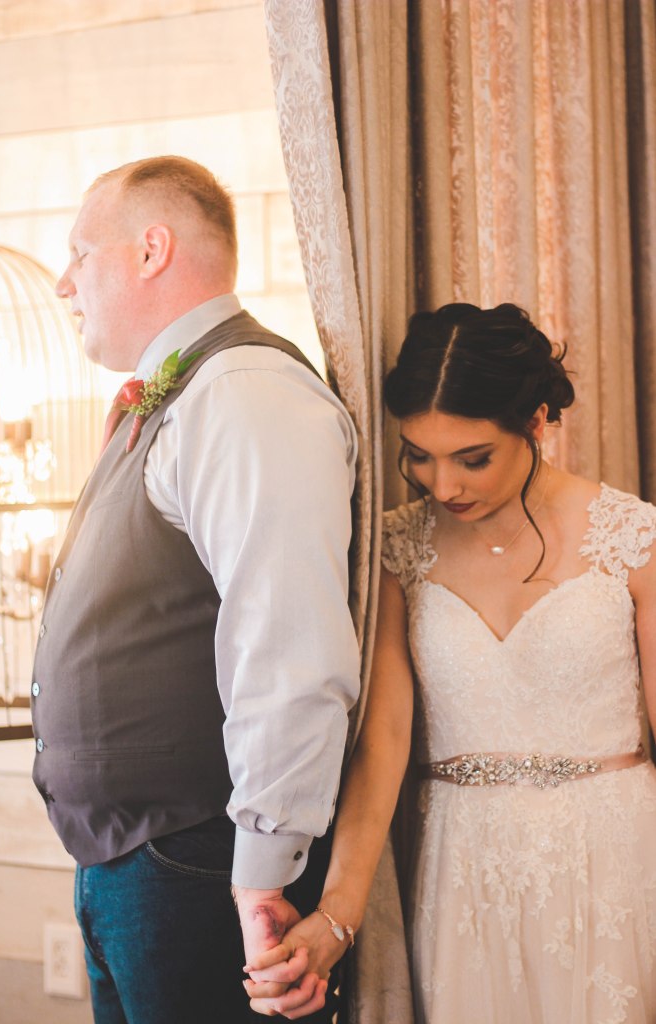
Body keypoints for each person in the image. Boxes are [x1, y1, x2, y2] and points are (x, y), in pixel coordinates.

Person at [244, 302, 656, 1022]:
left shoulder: (633, 537)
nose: (442, 486)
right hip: (464, 869)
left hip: (616, 859)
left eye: (473, 458)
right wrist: (336, 917)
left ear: (535, 422)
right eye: (418, 456)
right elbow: (382, 744)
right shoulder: (397, 549)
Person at [30, 155, 360, 1024]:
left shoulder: (245, 394)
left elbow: (288, 649)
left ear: (152, 250)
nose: (63, 283)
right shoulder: (183, 394)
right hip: (135, 865)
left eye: (80, 254)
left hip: (200, 868)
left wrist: (260, 878)